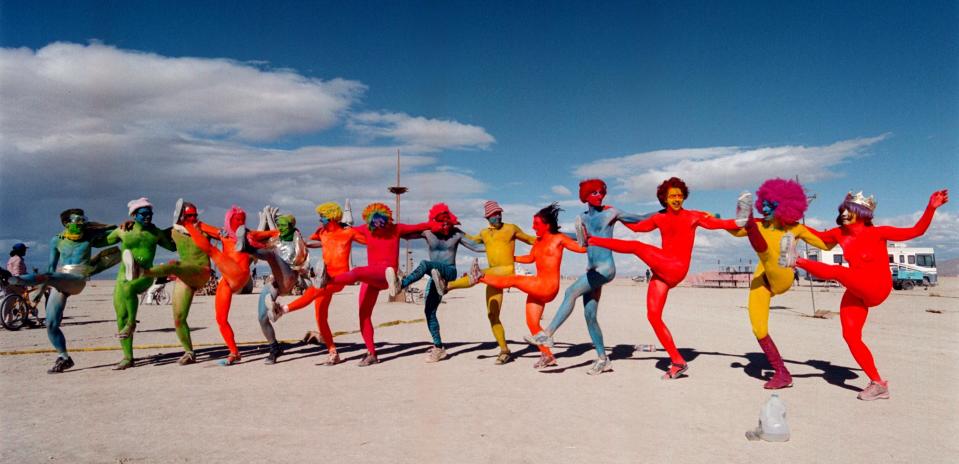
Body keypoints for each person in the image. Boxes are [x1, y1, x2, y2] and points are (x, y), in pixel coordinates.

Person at [795, 189, 948, 400]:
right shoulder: (839, 233)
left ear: (862, 213)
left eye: (849, 210)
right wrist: (793, 225)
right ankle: (878, 384)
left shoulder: (879, 233)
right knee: (850, 336)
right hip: (856, 289)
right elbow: (817, 237)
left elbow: (916, 231)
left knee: (838, 271)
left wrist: (931, 208)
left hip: (877, 287)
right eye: (843, 210)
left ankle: (796, 261)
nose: (845, 213)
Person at [584, 177, 741, 379]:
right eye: (672, 196)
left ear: (684, 197)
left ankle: (592, 240)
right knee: (653, 316)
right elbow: (638, 227)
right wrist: (618, 215)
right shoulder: (660, 218)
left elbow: (719, 224)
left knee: (636, 247)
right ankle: (677, 361)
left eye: (679, 195)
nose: (676, 199)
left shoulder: (694, 216)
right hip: (662, 271)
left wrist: (743, 221)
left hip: (676, 267)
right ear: (664, 199)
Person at [526, 179, 650, 375]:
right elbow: (578, 237)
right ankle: (603, 359)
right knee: (590, 316)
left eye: (602, 192)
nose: (599, 196)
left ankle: (547, 334)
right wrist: (553, 233)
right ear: (585, 196)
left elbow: (640, 218)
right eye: (594, 193)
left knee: (570, 291)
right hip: (591, 270)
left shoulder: (611, 213)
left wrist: (665, 212)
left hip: (606, 269)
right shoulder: (582, 219)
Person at [729, 179, 828, 389]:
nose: (764, 208)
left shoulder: (796, 228)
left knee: (766, 253)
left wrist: (852, 231)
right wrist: (711, 219)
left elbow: (825, 244)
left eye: (770, 205)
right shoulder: (759, 224)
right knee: (759, 328)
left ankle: (788, 251)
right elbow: (731, 229)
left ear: (784, 206)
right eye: (762, 204)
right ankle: (782, 373)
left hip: (782, 274)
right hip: (762, 281)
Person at [313, 202, 439, 366]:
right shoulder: (369, 229)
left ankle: (328, 280)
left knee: (358, 272)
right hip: (372, 277)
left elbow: (422, 226)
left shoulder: (396, 229)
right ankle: (372, 354)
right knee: (363, 315)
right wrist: (325, 231)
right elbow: (342, 231)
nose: (378, 224)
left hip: (384, 274)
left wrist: (440, 223)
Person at [478, 204, 588, 370]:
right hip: (537, 287)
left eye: (536, 224)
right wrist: (512, 257)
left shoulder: (559, 238)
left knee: (515, 279)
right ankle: (547, 355)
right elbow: (530, 259)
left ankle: (480, 277)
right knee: (532, 323)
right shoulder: (537, 242)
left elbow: (581, 249)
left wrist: (585, 237)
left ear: (547, 225)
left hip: (548, 286)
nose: (533, 227)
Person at [7, 209, 118, 373]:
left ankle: (20, 280)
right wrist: (41, 290)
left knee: (49, 276)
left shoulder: (89, 236)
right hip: (60, 279)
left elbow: (115, 233)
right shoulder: (57, 241)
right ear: (67, 223)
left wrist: (124, 226)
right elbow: (51, 268)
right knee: (51, 324)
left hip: (77, 280)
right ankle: (64, 357)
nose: (81, 224)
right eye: (77, 221)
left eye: (83, 221)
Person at [385, 203, 484, 362]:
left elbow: (477, 247)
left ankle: (400, 285)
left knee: (425, 264)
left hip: (449, 271)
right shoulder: (428, 233)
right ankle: (439, 348)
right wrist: (388, 226)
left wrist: (501, 243)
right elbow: (405, 234)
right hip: (435, 277)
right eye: (441, 222)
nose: (445, 225)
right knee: (429, 311)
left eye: (447, 222)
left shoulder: (456, 234)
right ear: (435, 221)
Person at [444, 201, 536, 365]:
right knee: (492, 315)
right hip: (492, 276)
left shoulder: (511, 228)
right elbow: (471, 240)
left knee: (479, 274)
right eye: (494, 214)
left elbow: (530, 240)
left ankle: (447, 286)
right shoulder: (484, 233)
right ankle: (505, 350)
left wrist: (552, 239)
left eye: (499, 213)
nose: (498, 216)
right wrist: (456, 230)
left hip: (506, 271)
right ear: (487, 217)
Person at [273, 202, 366, 366]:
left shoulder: (348, 233)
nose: (319, 219)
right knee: (320, 317)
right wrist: (298, 239)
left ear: (331, 217)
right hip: (324, 275)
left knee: (315, 289)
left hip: (339, 278)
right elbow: (309, 242)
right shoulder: (322, 233)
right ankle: (333, 353)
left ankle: (283, 310)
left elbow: (368, 241)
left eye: (322, 217)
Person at [136, 200, 212, 365]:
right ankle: (189, 352)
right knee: (178, 318)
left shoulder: (203, 230)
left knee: (173, 265)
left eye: (195, 215)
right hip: (184, 275)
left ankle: (142, 271)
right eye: (189, 215)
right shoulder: (174, 232)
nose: (193, 218)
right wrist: (130, 223)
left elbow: (226, 234)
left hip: (201, 271)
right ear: (181, 216)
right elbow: (149, 232)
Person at [180, 205, 256, 366]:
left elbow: (269, 235)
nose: (241, 222)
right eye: (237, 219)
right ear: (230, 220)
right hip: (227, 279)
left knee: (213, 251)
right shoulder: (223, 233)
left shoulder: (248, 235)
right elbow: (201, 226)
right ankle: (234, 352)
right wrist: (191, 221)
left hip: (240, 274)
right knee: (221, 319)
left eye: (243, 219)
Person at [105, 198, 176, 370]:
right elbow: (105, 241)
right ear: (134, 215)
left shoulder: (155, 232)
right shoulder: (123, 231)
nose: (148, 217)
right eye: (144, 214)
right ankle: (128, 357)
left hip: (145, 274)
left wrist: (180, 229)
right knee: (120, 316)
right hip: (122, 276)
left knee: (130, 290)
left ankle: (132, 322)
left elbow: (171, 247)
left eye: (150, 214)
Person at [251, 206, 311, 364]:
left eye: (284, 227)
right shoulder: (276, 240)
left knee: (271, 255)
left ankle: (246, 248)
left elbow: (302, 265)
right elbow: (271, 234)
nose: (281, 230)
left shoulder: (298, 243)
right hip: (275, 280)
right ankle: (274, 347)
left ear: (292, 227)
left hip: (289, 277)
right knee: (262, 318)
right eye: (280, 227)